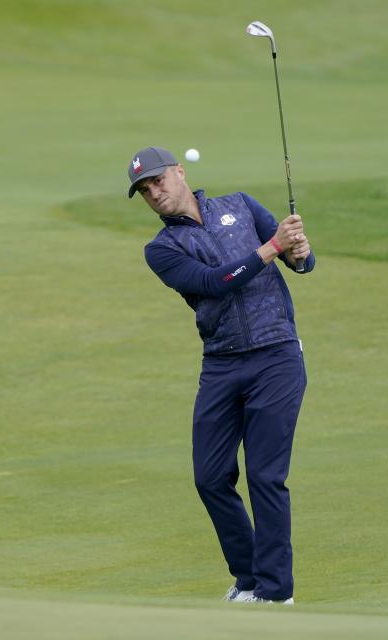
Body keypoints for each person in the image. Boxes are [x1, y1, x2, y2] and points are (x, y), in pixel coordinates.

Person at [127, 146, 314, 604]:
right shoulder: (162, 249)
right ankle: (249, 577)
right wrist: (272, 249)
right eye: (145, 190)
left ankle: (274, 592)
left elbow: (300, 262)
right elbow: (214, 283)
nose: (155, 193)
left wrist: (300, 252)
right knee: (210, 477)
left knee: (266, 476)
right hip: (222, 363)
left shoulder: (241, 206)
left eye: (158, 181)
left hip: (276, 356)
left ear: (179, 172)